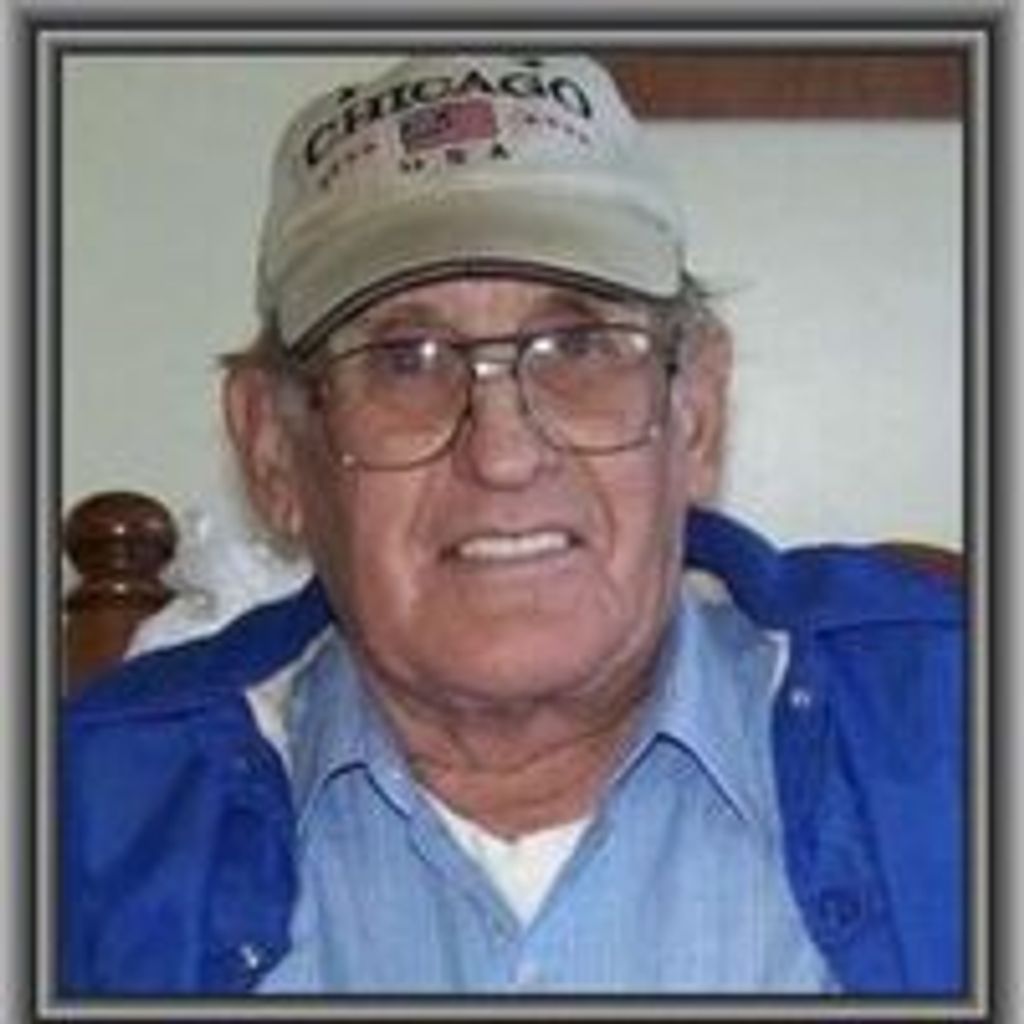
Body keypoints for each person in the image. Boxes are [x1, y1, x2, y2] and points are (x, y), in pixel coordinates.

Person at [60, 53, 964, 996]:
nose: (502, 452)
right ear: (275, 450)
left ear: (695, 412)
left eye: (579, 345)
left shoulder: (960, 731)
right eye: (407, 358)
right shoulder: (82, 825)